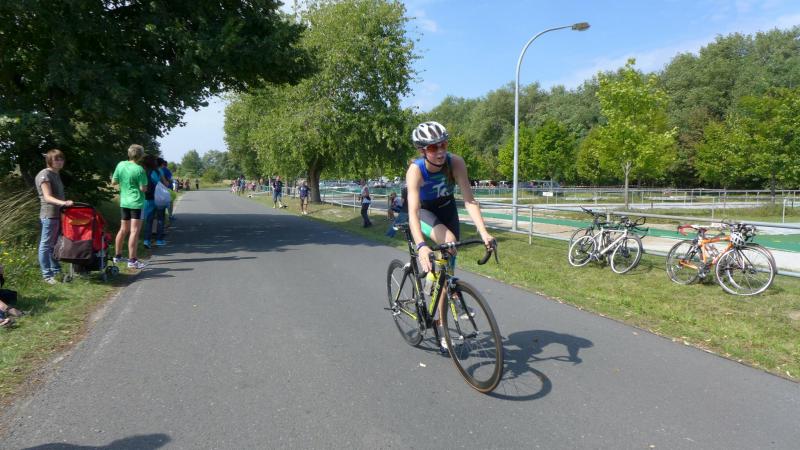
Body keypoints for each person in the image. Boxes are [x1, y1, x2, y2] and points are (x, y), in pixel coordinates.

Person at [406, 121, 494, 352]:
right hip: (424, 212)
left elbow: (469, 200)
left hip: (447, 209)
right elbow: (413, 212)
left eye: (443, 144)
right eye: (432, 147)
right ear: (422, 150)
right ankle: (440, 315)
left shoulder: (456, 162)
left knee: (449, 267)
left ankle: (441, 313)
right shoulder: (416, 170)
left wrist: (484, 232)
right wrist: (421, 246)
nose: (440, 151)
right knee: (448, 240)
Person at [35, 149, 74, 284]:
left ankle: (56, 270)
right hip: (49, 214)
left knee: (54, 245)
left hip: (58, 215)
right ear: (49, 161)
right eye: (56, 159)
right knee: (46, 245)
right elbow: (47, 197)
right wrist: (64, 203)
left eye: (61, 159)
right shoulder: (44, 175)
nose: (60, 161)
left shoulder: (55, 174)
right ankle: (47, 275)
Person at [111, 144, 149, 269]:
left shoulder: (121, 165)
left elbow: (114, 182)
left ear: (129, 154)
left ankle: (117, 256)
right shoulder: (139, 169)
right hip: (136, 202)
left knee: (123, 229)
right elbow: (143, 188)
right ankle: (132, 260)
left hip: (124, 202)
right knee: (134, 231)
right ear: (141, 156)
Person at [141, 155, 168, 248]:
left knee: (149, 220)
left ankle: (146, 241)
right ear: (154, 162)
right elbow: (164, 183)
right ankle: (159, 240)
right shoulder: (157, 171)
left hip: (147, 198)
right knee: (160, 219)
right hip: (159, 198)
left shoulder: (142, 171)